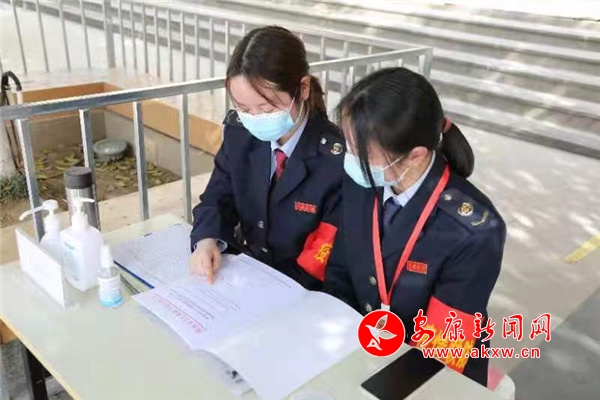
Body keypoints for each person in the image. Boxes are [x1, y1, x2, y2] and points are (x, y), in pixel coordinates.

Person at [325, 67, 506, 386]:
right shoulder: (363, 181)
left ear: (415, 155)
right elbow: (340, 268)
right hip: (360, 347)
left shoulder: (474, 230)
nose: (350, 158)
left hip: (429, 373)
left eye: (361, 152)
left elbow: (443, 347)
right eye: (349, 145)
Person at [190, 26, 344, 290]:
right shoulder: (241, 135)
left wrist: (271, 289)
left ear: (303, 89)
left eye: (267, 107)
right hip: (245, 274)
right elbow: (217, 198)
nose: (256, 118)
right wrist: (207, 240)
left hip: (302, 290)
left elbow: (326, 253)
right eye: (244, 108)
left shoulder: (335, 159)